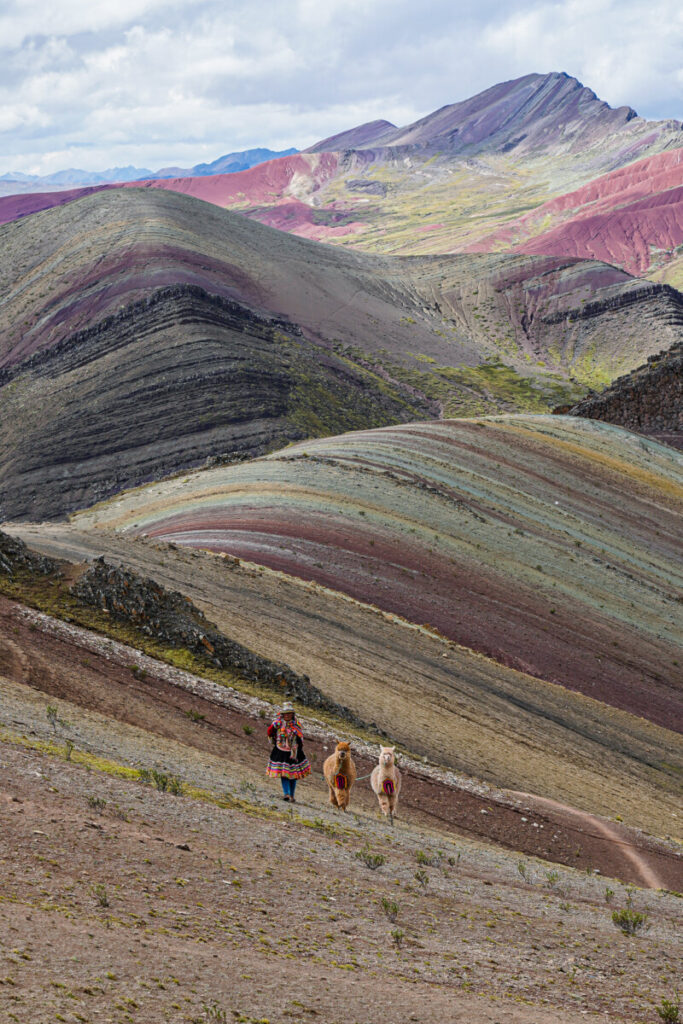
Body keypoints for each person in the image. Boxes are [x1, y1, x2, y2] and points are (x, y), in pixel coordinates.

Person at [266, 701, 310, 801]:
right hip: (280, 751)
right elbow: (269, 732)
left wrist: (298, 750)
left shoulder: (296, 725)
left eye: (289, 713)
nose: (287, 715)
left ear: (292, 714)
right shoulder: (278, 723)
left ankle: (292, 795)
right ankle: (287, 794)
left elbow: (300, 737)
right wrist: (273, 727)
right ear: (282, 714)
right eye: (286, 713)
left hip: (293, 752)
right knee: (284, 773)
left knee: (293, 775)